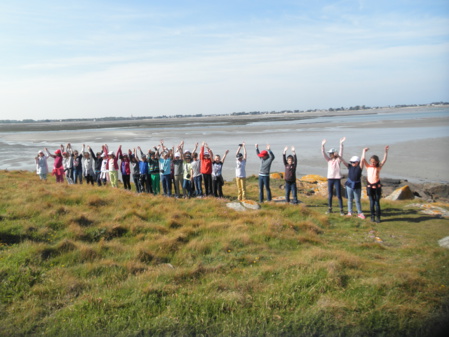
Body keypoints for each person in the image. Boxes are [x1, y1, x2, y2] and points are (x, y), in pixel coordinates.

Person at [362, 146, 389, 223]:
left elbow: (384, 160)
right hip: (370, 187)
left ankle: (378, 217)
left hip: (377, 187)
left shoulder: (378, 167)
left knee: (377, 202)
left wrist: (386, 151)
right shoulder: (368, 167)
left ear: (377, 162)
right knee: (371, 202)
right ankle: (372, 216)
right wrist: (364, 151)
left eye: (374, 162)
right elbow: (363, 159)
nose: (373, 163)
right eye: (371, 162)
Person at [321, 137, 345, 215]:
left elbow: (341, 153)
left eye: (331, 153)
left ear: (334, 153)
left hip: (337, 179)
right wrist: (323, 146)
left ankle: (341, 210)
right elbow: (323, 153)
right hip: (330, 179)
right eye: (330, 154)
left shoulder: (338, 160)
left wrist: (341, 144)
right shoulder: (329, 160)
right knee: (330, 194)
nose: (330, 155)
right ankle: (329, 209)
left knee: (338, 195)